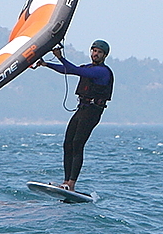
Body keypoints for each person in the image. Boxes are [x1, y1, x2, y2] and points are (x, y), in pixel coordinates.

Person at [34, 40, 114, 191]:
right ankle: (65, 182)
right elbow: (68, 70)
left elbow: (78, 72)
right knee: (67, 143)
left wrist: (60, 57)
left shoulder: (102, 71)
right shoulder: (88, 67)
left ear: (104, 55)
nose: (95, 54)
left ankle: (71, 184)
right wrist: (46, 64)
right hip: (82, 108)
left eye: (99, 52)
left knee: (77, 144)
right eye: (94, 51)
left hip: (93, 111)